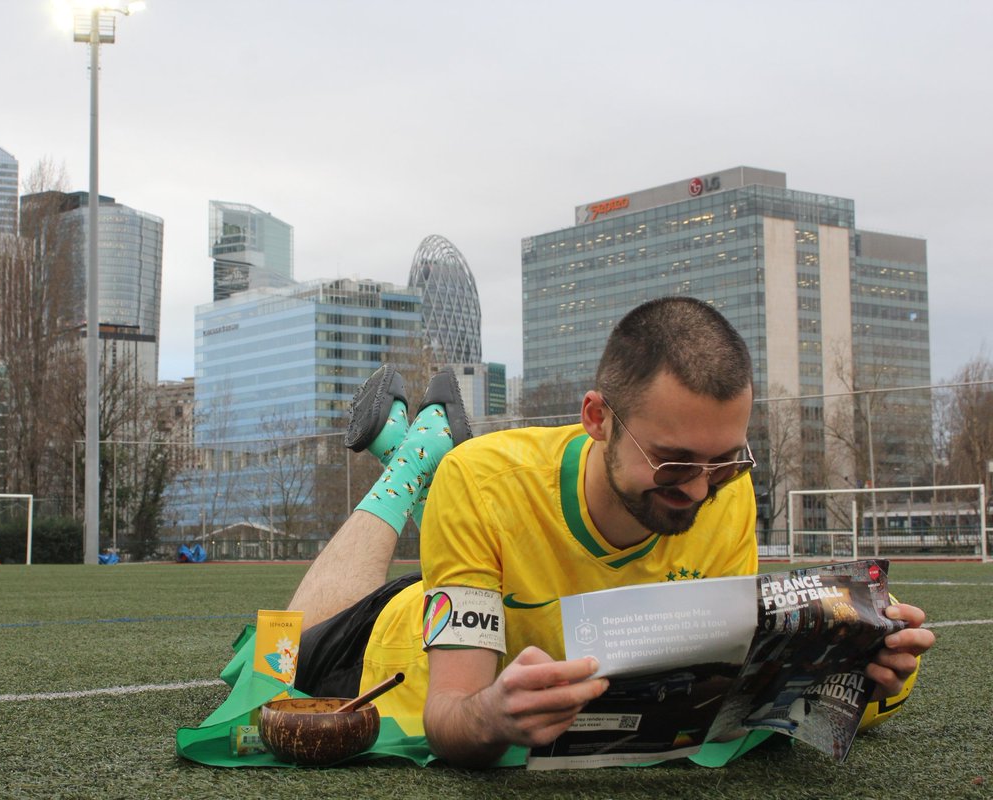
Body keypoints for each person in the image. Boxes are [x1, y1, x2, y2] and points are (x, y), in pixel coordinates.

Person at [283, 296, 935, 769]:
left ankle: (418, 445)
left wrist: (859, 675)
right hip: (393, 648)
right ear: (598, 418)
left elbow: (725, 696)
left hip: (479, 564)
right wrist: (491, 715)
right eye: (675, 462)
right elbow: (450, 718)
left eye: (726, 461)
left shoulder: (724, 497)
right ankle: (414, 455)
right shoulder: (480, 481)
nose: (702, 490)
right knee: (270, 659)